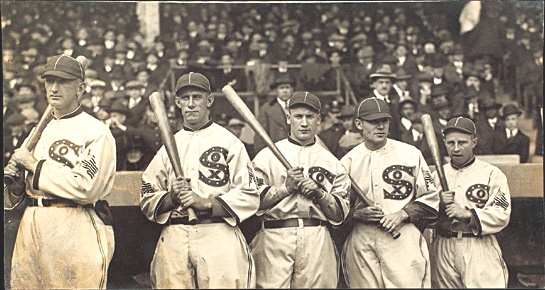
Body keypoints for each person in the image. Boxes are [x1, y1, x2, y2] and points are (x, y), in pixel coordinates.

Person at [3, 54, 116, 289]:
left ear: (81, 88)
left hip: (75, 221)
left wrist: (33, 165)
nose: (54, 88)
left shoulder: (96, 131)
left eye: (63, 82)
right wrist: (15, 187)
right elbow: (20, 193)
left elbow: (86, 187)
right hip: (32, 223)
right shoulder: (38, 131)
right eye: (49, 81)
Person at [139, 72, 259, 288]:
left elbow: (250, 194)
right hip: (175, 234)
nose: (191, 104)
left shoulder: (230, 142)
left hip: (217, 231)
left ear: (209, 100)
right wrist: (171, 198)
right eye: (185, 98)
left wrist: (206, 203)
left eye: (197, 97)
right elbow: (147, 194)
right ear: (177, 103)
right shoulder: (168, 147)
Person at [250, 91, 351, 288]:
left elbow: (340, 215)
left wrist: (320, 194)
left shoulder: (331, 161)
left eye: (310, 117)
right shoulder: (266, 156)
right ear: (289, 118)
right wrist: (285, 189)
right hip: (274, 235)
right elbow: (252, 202)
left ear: (319, 120)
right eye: (298, 116)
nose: (304, 123)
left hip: (317, 235)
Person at [340, 98, 439, 288]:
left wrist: (403, 214)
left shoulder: (410, 154)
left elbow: (431, 196)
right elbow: (338, 208)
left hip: (402, 236)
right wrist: (356, 214)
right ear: (359, 124)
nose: (380, 126)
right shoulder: (348, 161)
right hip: (363, 238)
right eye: (373, 121)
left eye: (384, 121)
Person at [431, 116, 511, 288]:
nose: (456, 148)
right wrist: (439, 204)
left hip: (478, 244)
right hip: (443, 244)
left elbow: (502, 213)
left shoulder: (491, 174)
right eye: (451, 143)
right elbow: (424, 213)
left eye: (462, 142)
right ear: (444, 142)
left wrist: (468, 214)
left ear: (474, 142)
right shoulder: (436, 174)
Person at [254, 74, 295, 153]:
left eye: (287, 87)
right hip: (276, 153)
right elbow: (260, 136)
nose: (285, 91)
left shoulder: (299, 107)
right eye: (281, 88)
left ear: (292, 89)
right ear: (276, 90)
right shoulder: (266, 108)